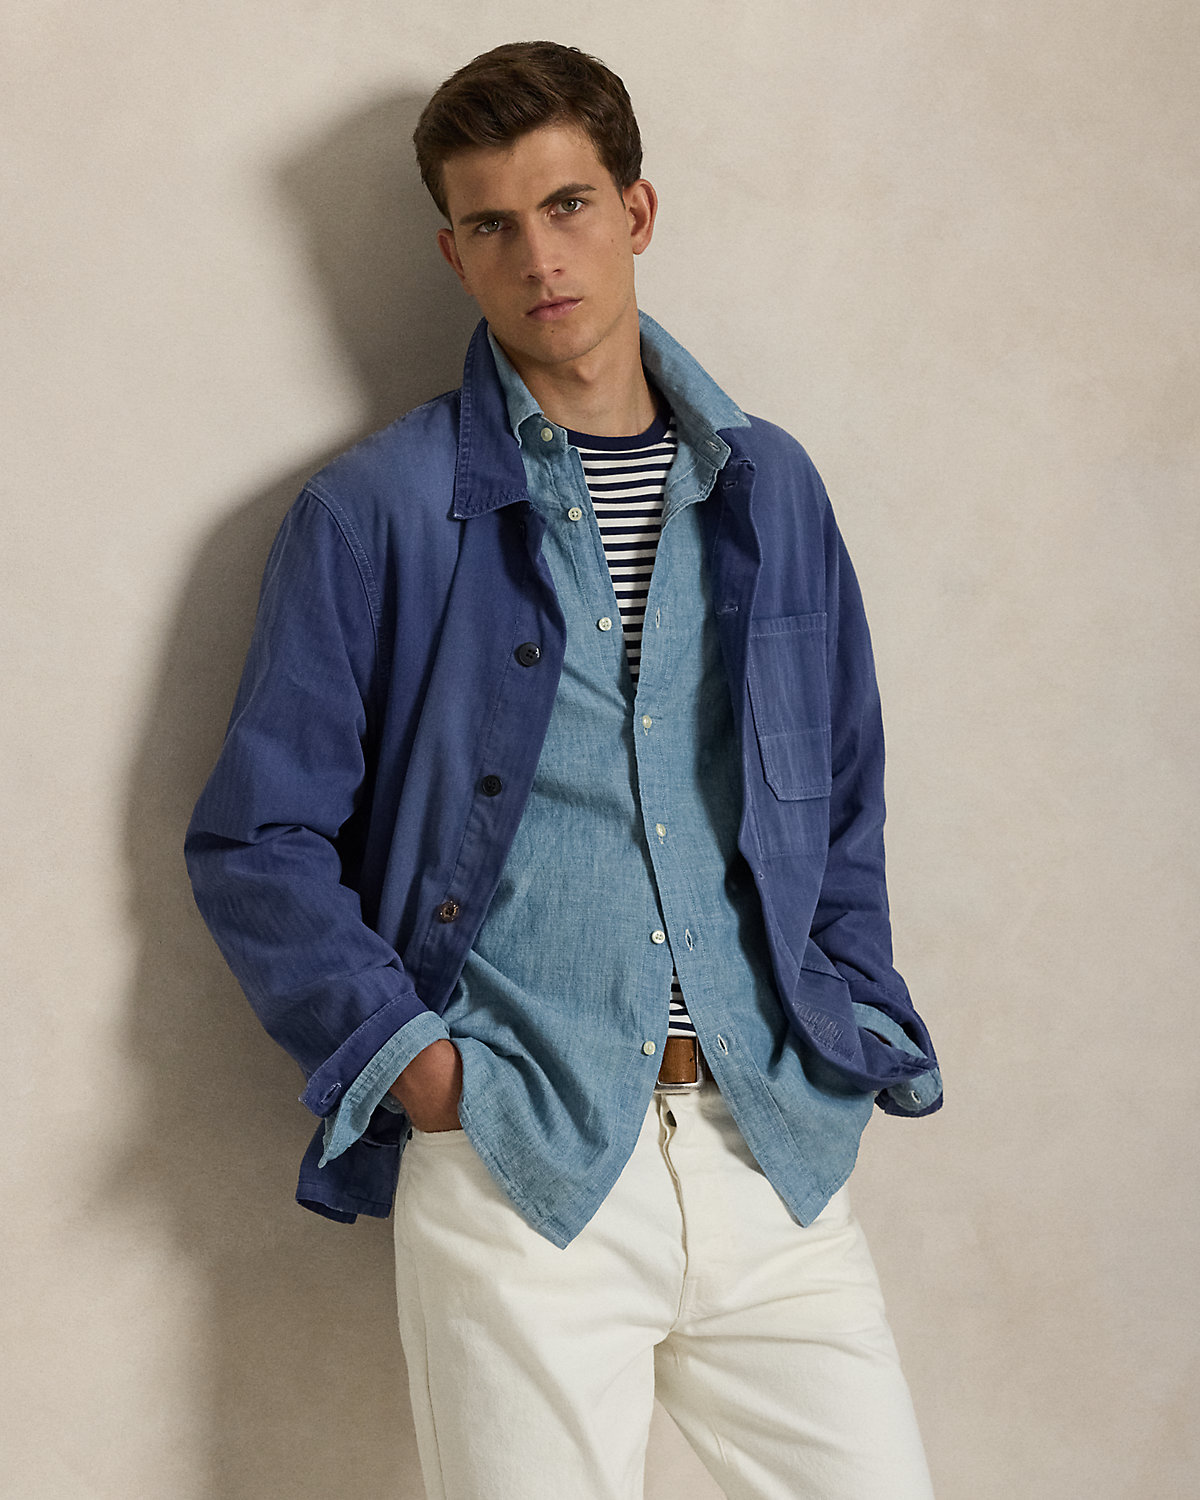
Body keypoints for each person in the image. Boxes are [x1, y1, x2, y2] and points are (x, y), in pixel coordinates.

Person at [185, 39, 942, 1500]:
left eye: (569, 205)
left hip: (767, 1141)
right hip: (520, 1155)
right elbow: (257, 839)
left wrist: (850, 1005)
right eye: (492, 222)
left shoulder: (773, 488)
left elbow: (843, 789)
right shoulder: (376, 511)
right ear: (453, 252)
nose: (539, 256)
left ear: (636, 211)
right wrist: (421, 1071)